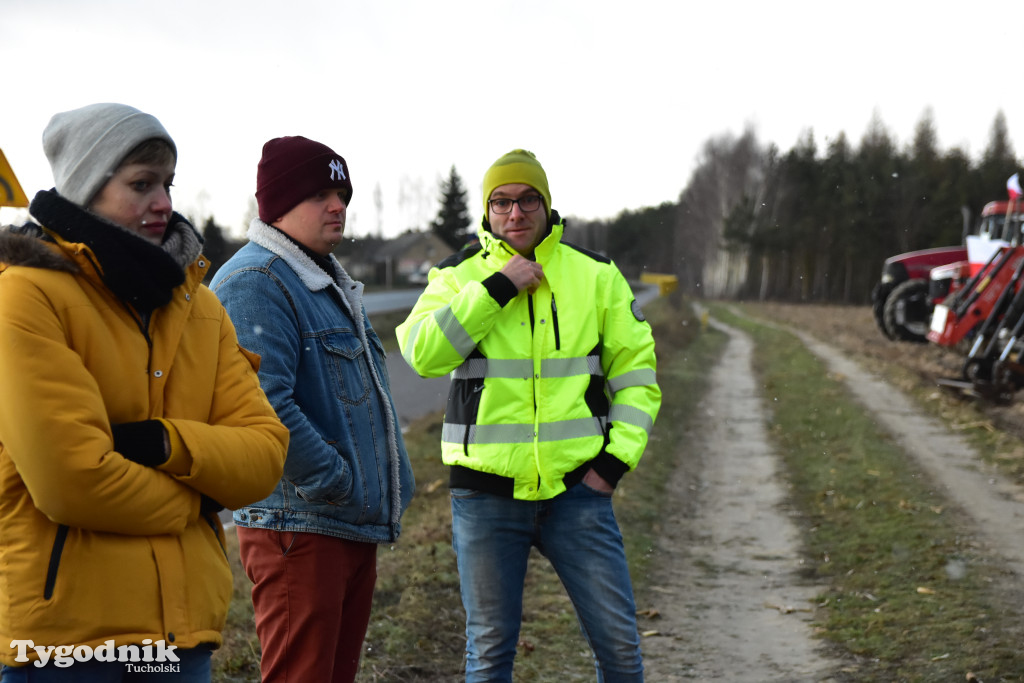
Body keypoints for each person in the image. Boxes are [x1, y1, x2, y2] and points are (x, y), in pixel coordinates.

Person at [0, 103, 289, 681]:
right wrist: (199, 501)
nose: (164, 203)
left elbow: (264, 455)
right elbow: (73, 482)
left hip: (185, 638)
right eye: (141, 184)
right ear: (85, 188)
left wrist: (165, 444)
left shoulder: (200, 306)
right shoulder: (25, 297)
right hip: (68, 647)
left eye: (167, 183)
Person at [397, 149, 662, 682]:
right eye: (501, 203)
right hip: (485, 494)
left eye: (526, 200)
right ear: (486, 211)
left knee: (620, 649)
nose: (514, 214)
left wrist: (612, 466)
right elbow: (422, 354)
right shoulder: (456, 277)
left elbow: (637, 376)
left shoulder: (596, 275)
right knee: (490, 653)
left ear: (545, 205)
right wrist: (497, 288)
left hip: (578, 494)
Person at [211, 135, 415, 683]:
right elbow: (260, 402)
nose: (338, 207)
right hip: (297, 528)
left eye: (342, 194)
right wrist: (334, 479)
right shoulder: (255, 281)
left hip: (341, 525)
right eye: (320, 194)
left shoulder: (322, 280)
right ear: (278, 203)